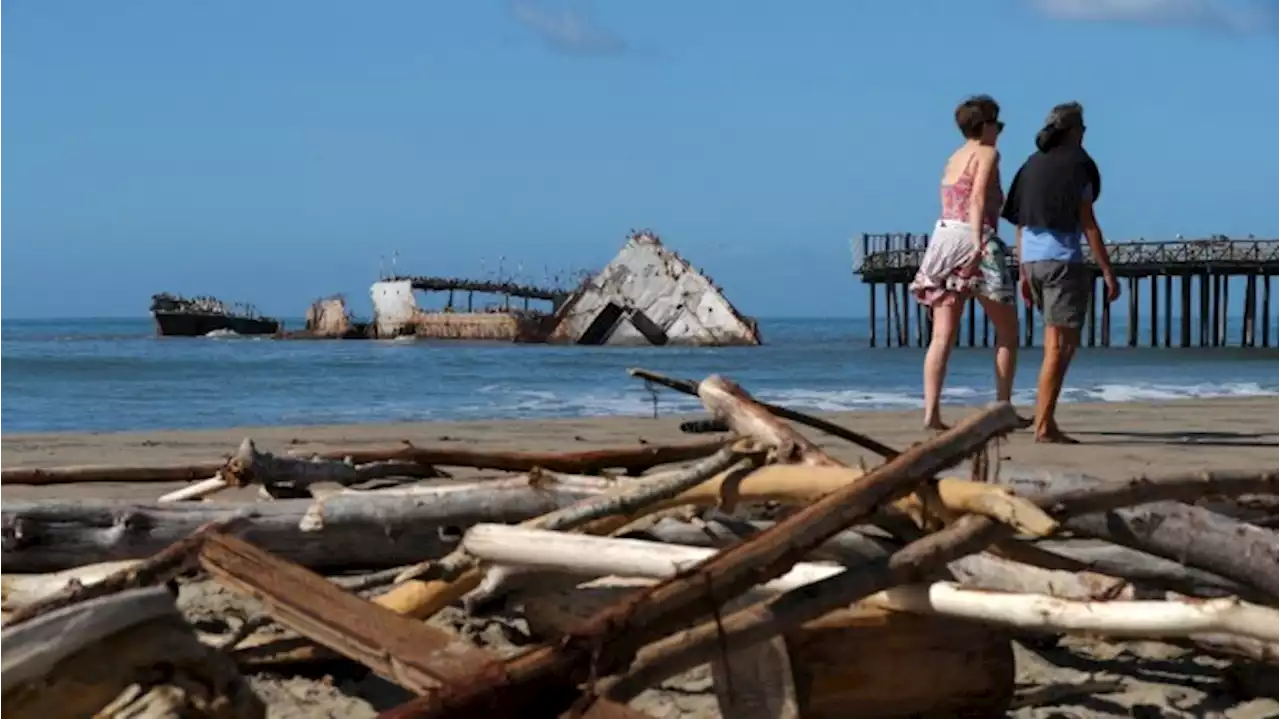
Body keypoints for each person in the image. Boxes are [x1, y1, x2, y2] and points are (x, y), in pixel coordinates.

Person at [1002, 102, 1120, 444]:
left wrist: (1024, 272)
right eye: (1082, 129)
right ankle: (1044, 425)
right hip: (1062, 262)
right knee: (1060, 348)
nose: (1085, 135)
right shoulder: (1080, 165)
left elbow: (1020, 224)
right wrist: (1108, 271)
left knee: (1053, 345)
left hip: (1034, 263)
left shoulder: (1031, 165)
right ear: (1072, 131)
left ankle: (1044, 420)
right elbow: (1088, 222)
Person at [909, 95, 1021, 431]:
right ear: (984, 125)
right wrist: (978, 243)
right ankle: (1002, 407)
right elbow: (976, 198)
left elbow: (953, 200)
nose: (1000, 132)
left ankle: (931, 413)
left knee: (942, 335)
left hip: (943, 239)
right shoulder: (987, 153)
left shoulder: (953, 158)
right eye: (997, 124)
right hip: (975, 238)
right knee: (1007, 331)